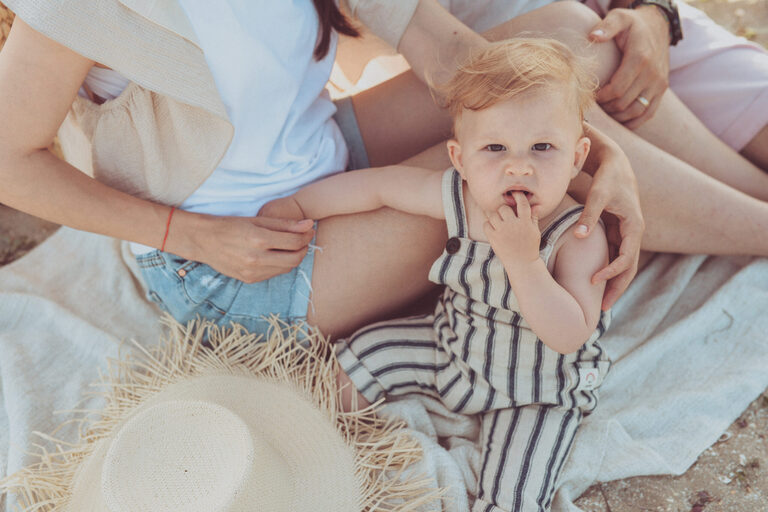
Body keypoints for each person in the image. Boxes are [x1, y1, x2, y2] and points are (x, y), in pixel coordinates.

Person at [0, 0, 645, 341]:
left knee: (566, 36)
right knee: (509, 196)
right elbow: (10, 161)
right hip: (235, 264)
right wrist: (189, 235)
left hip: (327, 158)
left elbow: (448, 50)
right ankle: (718, 230)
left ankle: (692, 207)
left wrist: (598, 154)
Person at [264, 38, 611, 512]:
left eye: (543, 147)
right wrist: (301, 204)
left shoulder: (579, 234)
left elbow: (570, 333)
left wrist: (525, 262)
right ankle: (313, 451)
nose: (519, 166)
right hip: (452, 347)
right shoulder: (462, 199)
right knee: (354, 360)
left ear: (576, 157)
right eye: (495, 147)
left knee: (514, 494)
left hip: (536, 387)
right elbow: (381, 188)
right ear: (460, 158)